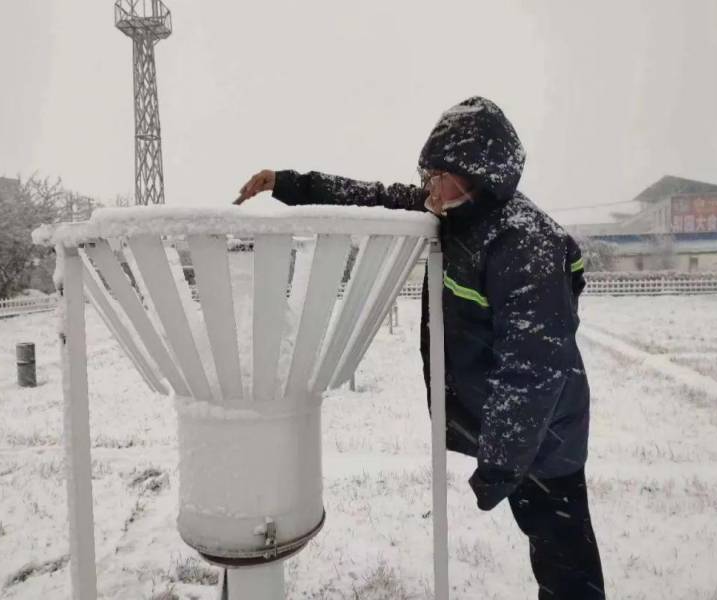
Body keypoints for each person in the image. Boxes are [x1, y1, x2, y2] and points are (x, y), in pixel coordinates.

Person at [237, 96, 605, 599]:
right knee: (552, 550)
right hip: (520, 439)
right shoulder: (457, 214)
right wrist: (288, 183)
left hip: (545, 440)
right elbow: (368, 197)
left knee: (565, 563)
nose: (427, 185)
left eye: (437, 173)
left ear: (474, 172)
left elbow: (532, 369)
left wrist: (498, 466)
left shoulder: (524, 243)